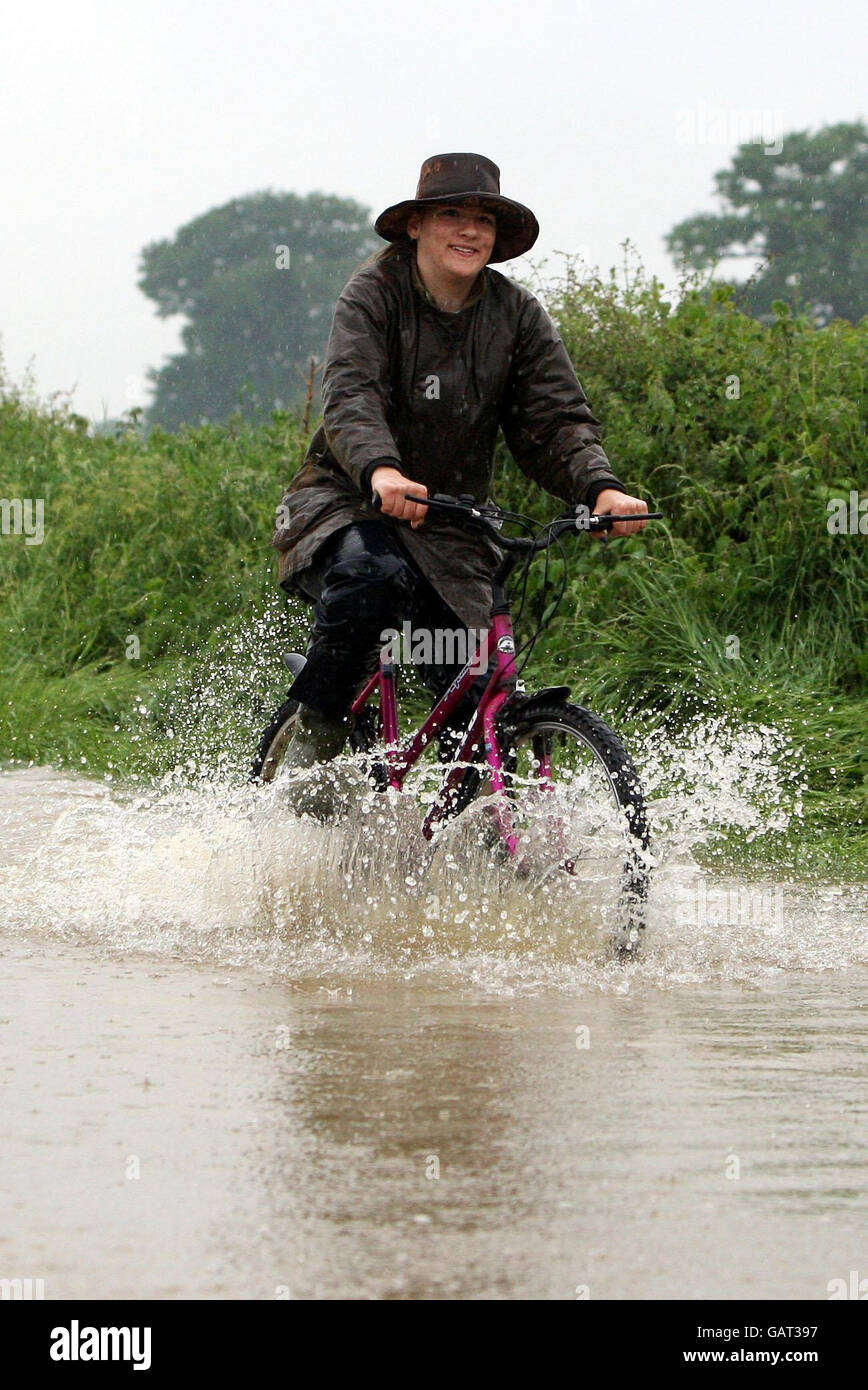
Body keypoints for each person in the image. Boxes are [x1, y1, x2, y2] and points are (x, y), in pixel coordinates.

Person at [271, 153, 648, 815]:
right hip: (348, 497)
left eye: (483, 219)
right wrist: (381, 470)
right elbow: (351, 393)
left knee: (474, 698)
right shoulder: (373, 293)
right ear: (415, 225)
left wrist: (600, 489)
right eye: (452, 214)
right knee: (369, 580)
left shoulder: (518, 317)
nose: (470, 230)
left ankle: (470, 844)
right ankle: (318, 742)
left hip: (451, 522)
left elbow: (555, 420)